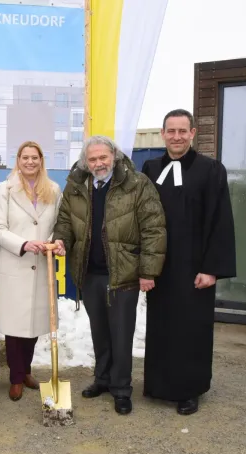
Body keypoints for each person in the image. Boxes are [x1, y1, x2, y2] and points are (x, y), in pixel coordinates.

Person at [52, 135, 166, 415]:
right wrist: (61, 240)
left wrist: (149, 270)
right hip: (90, 273)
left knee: (121, 333)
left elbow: (154, 227)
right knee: (99, 331)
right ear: (85, 162)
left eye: (103, 157)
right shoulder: (77, 186)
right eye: (92, 159)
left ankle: (121, 389)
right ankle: (102, 379)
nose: (98, 163)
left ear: (114, 156)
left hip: (123, 273)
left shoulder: (137, 184)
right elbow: (65, 220)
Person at [142, 109, 236, 415]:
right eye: (171, 131)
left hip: (196, 268)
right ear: (163, 133)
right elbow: (141, 219)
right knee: (161, 327)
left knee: (191, 329)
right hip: (161, 266)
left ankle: (189, 390)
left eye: (183, 131)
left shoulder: (211, 169)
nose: (177, 137)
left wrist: (211, 268)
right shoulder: (151, 168)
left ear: (193, 133)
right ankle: (159, 384)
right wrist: (145, 265)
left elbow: (221, 221)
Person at [0, 141, 62, 401]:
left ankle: (26, 371)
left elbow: (58, 223)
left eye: (35, 158)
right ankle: (15, 377)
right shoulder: (5, 190)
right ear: (18, 160)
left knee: (34, 324)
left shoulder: (53, 190)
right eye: (25, 158)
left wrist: (54, 241)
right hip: (15, 263)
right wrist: (23, 244)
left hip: (41, 265)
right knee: (15, 326)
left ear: (41, 160)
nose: (30, 162)